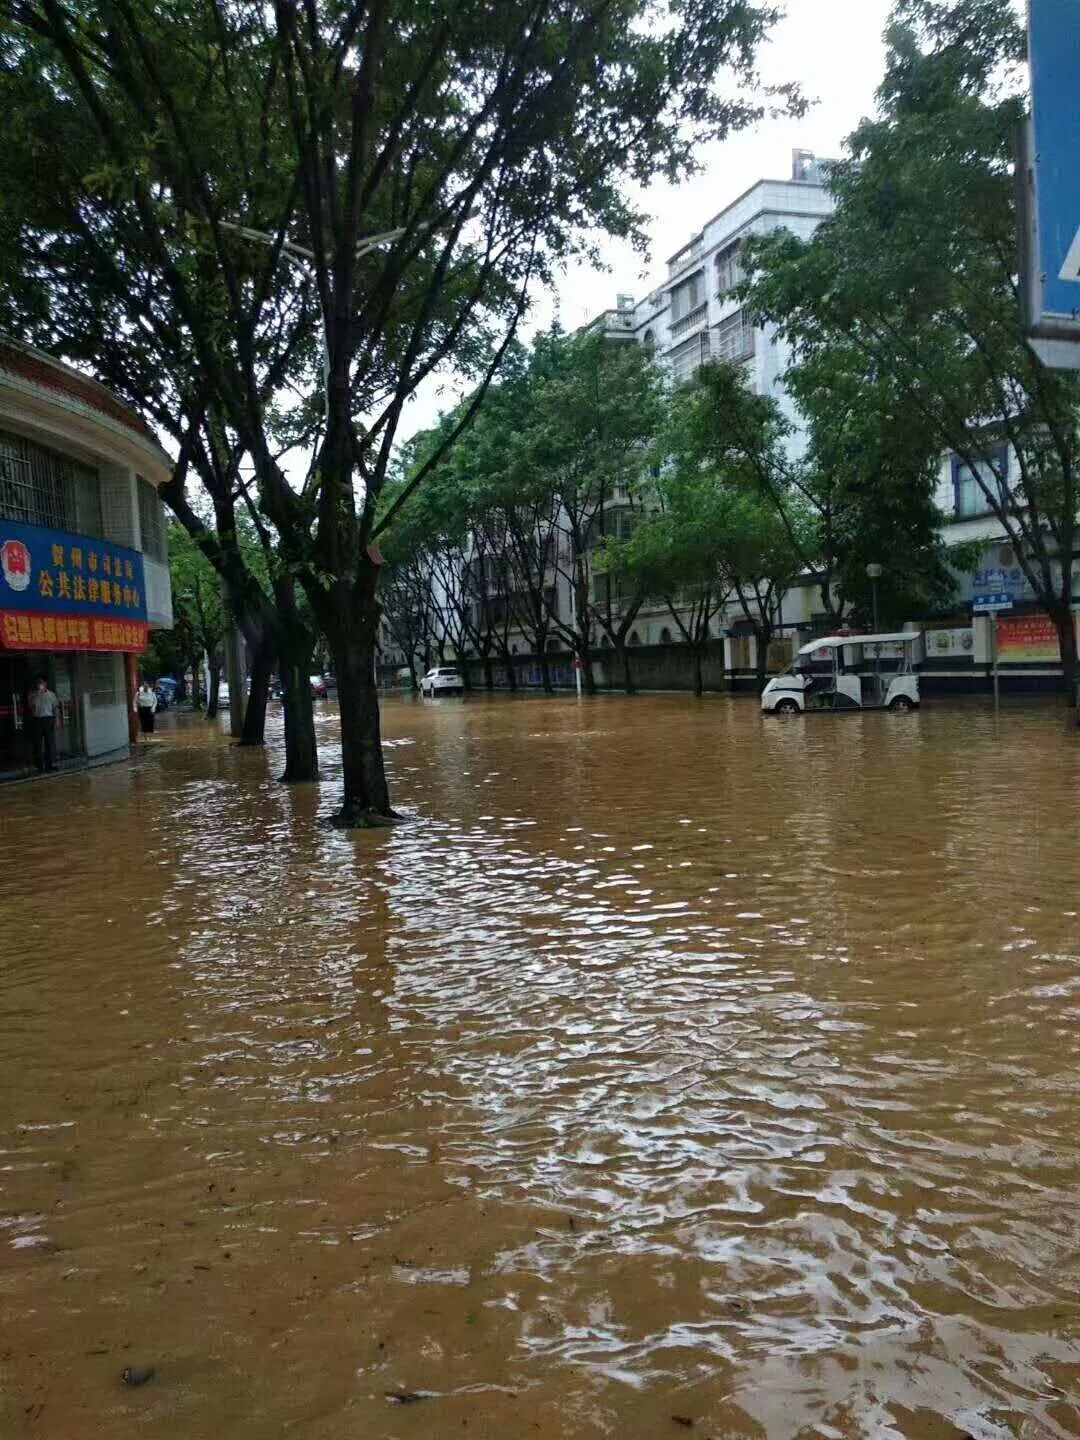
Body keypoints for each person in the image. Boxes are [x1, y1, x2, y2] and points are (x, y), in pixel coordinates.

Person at [28, 674, 59, 773]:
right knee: (38, 744)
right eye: (38, 683)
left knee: (49, 743)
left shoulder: (51, 694)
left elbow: (55, 708)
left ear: (45, 683)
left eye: (41, 682)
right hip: (37, 719)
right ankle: (40, 767)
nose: (39, 684)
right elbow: (31, 709)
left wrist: (57, 719)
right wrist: (36, 695)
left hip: (48, 719)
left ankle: (49, 765)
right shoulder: (32, 694)